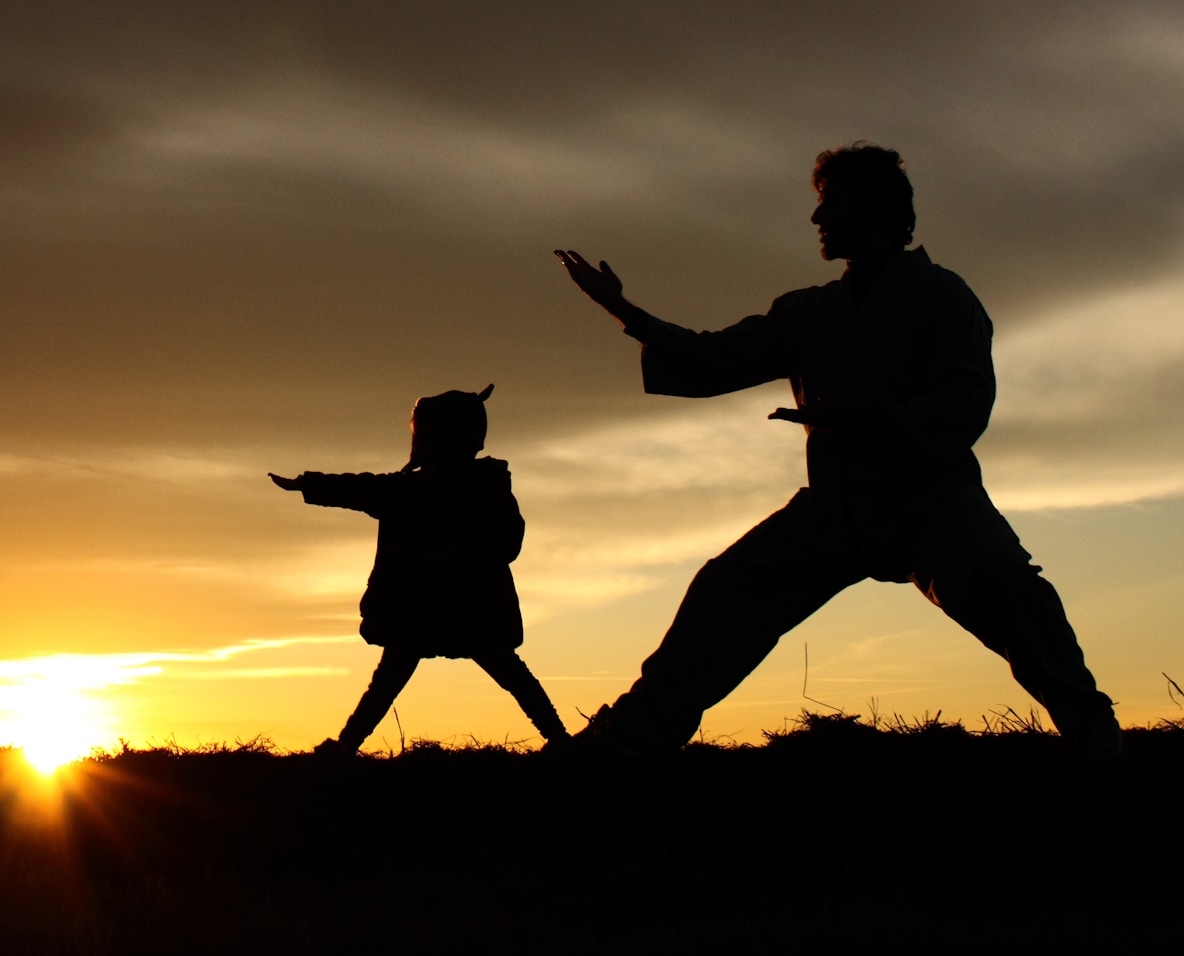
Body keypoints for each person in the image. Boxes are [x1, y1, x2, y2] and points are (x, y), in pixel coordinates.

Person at [554, 142, 1121, 755]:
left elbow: (966, 394)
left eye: (830, 204)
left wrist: (871, 421)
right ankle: (631, 739)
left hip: (930, 500)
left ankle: (1097, 737)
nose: (817, 220)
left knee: (1014, 597)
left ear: (875, 208)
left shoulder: (940, 295)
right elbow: (714, 357)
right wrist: (622, 311)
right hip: (837, 506)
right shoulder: (808, 312)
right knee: (727, 590)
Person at [271, 385, 570, 755]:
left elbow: (508, 542)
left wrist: (460, 558)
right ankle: (346, 745)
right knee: (399, 676)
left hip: (461, 606)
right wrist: (309, 484)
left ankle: (560, 739)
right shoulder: (427, 488)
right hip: (430, 607)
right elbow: (360, 488)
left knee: (498, 671)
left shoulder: (475, 487)